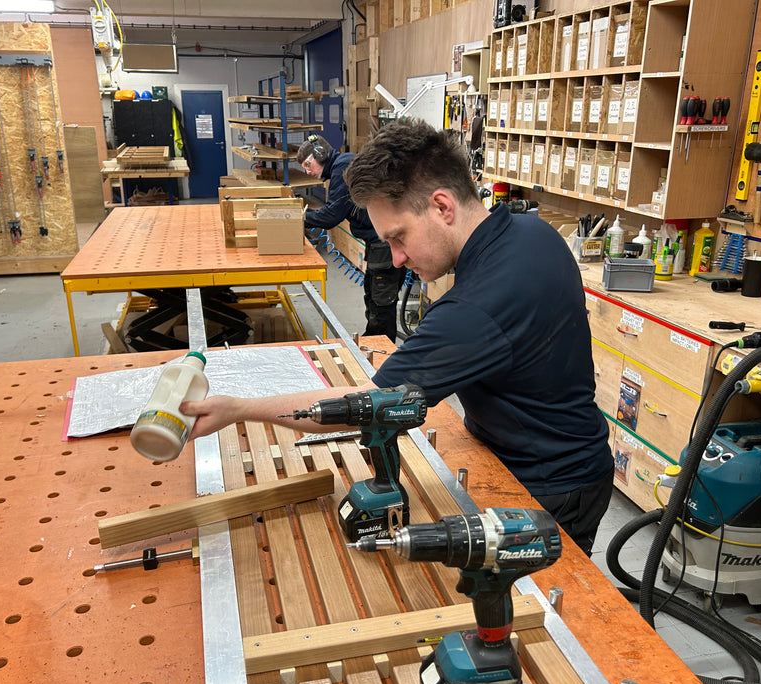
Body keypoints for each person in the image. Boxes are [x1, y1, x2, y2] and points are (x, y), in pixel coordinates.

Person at [184, 119, 613, 555]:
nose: (397, 257)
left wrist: (237, 408)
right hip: (553, 452)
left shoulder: (476, 308)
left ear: (442, 206)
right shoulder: (531, 232)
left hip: (551, 485)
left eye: (398, 236)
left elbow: (364, 409)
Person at [297, 134, 407, 342]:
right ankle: (373, 341)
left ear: (321, 155)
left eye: (308, 164)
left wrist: (297, 218)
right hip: (379, 241)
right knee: (373, 296)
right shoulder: (344, 164)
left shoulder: (344, 168)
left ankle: (382, 351)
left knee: (381, 302)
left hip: (386, 242)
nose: (307, 171)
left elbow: (331, 215)